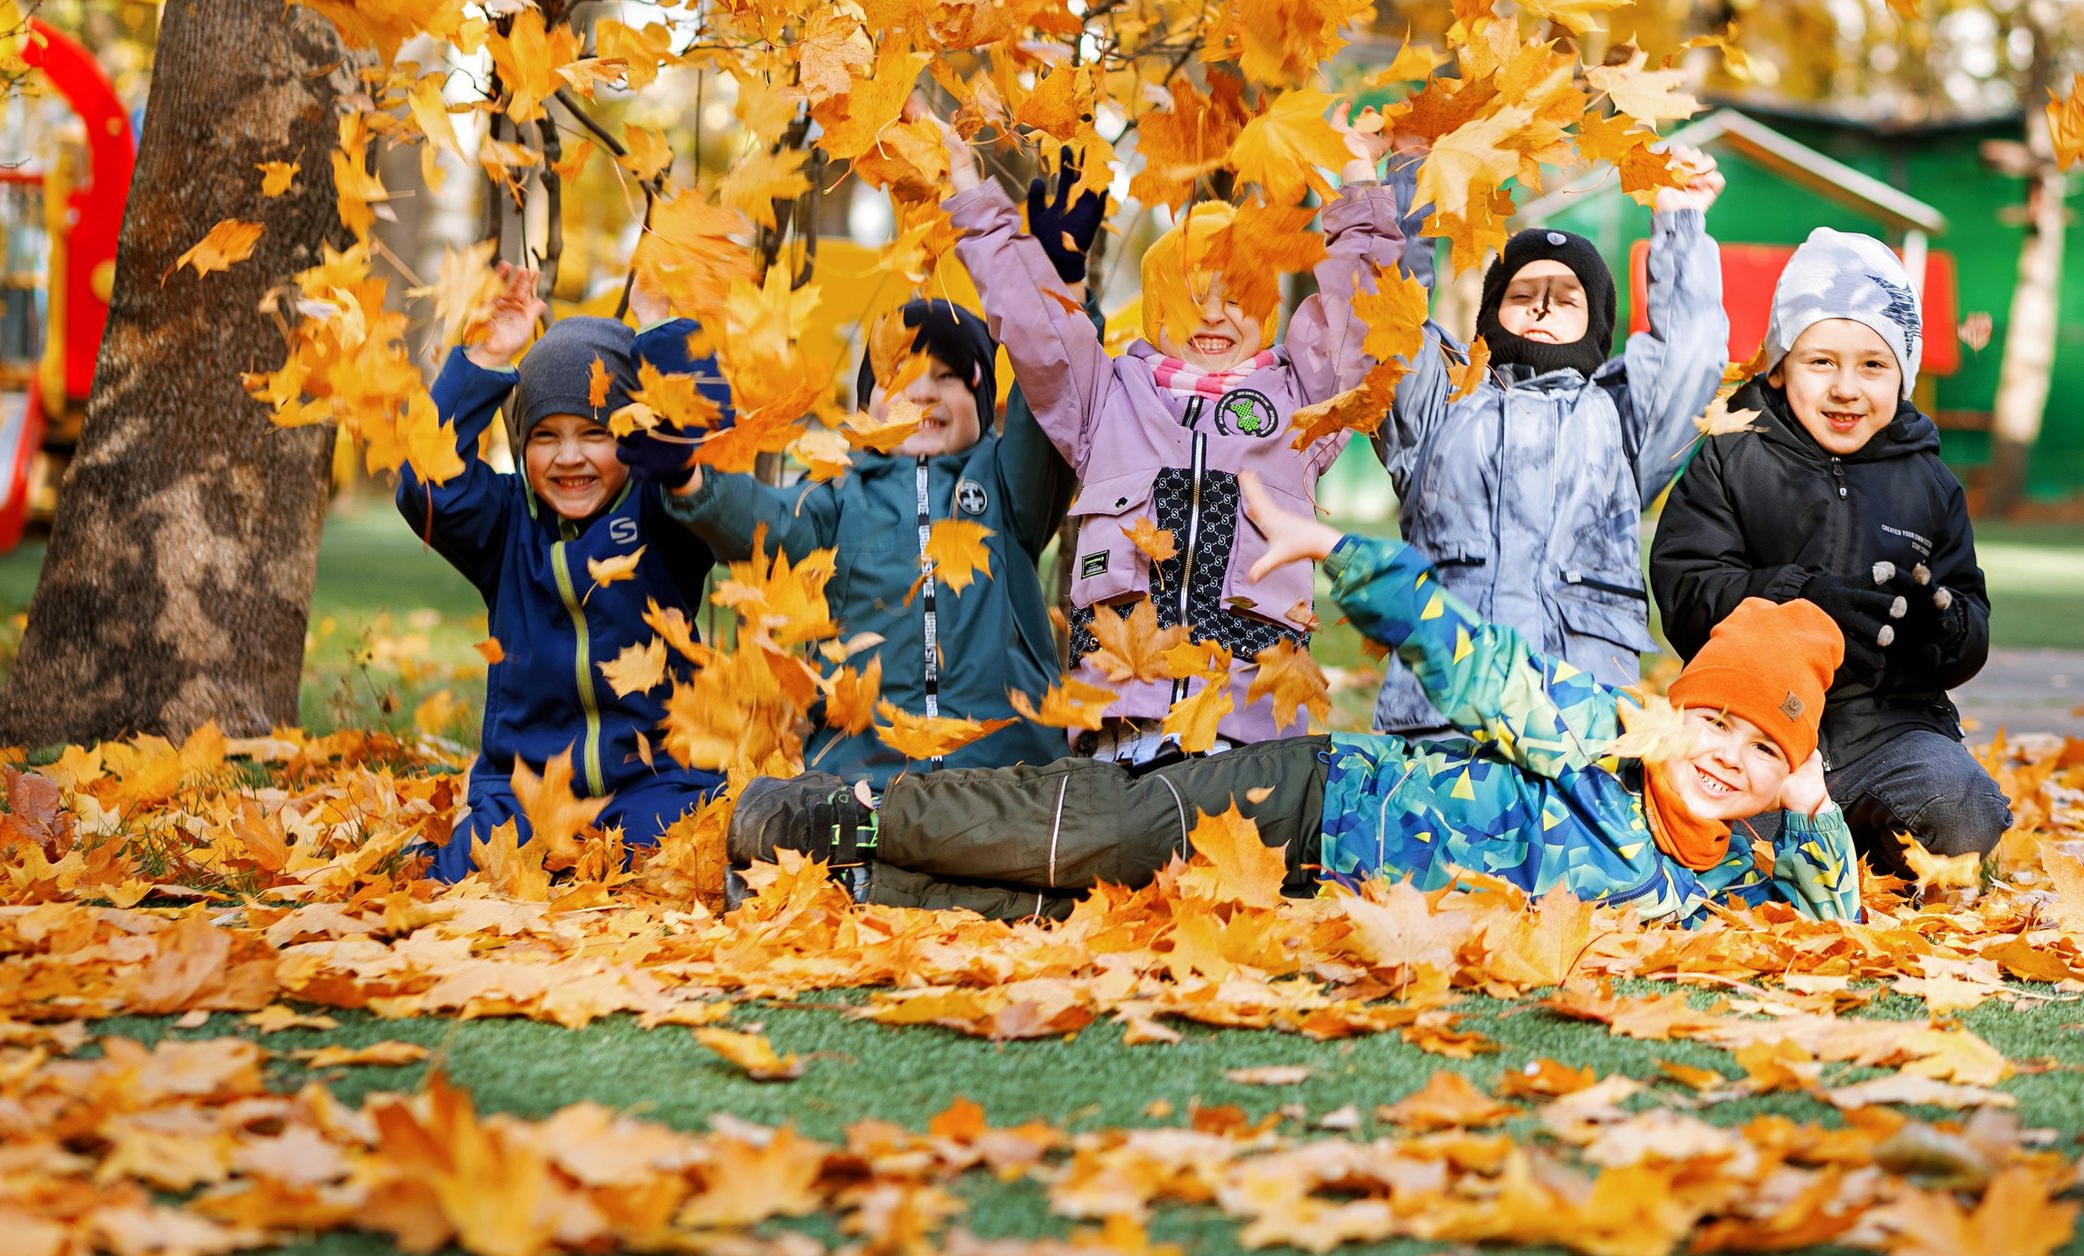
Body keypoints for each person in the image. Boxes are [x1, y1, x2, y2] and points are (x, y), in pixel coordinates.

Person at [728, 472, 1859, 925]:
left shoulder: (1717, 885)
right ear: (1677, 703)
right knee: (1107, 831)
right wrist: (1337, 550)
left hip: (1336, 913)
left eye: (1762, 750)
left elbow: (1832, 921)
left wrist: (1809, 798)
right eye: (1716, 719)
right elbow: (1467, 655)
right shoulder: (1603, 732)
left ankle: (860, 880)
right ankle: (829, 813)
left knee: (1110, 918)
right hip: (1318, 800)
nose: (1726, 756)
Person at [940, 114, 1400, 761]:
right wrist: (971, 193)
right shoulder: (1106, 398)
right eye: (1191, 298)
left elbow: (1361, 316)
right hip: (1124, 721)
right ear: (1158, 308)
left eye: (1236, 296)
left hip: (1249, 730)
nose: (1213, 314)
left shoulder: (1300, 401)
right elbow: (1036, 323)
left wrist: (1357, 178)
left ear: (1265, 306)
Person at [1648, 227, 2007, 877]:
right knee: (1694, 840)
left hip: (1890, 727)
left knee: (1967, 817)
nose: (1846, 388)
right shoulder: (1735, 452)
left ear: (1904, 375)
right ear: (1780, 367)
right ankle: (1803, 841)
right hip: (1756, 734)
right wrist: (1799, 598)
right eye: (1821, 362)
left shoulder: (1928, 481)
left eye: (1873, 365)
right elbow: (1686, 586)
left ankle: (1852, 838)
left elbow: (1971, 617)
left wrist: (1944, 627)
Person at [1374, 154, 1729, 738]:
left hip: (1577, 721)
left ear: (1594, 326)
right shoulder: (1441, 402)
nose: (1542, 306)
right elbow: (1390, 317)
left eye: (1567, 299)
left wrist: (1680, 220)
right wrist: (1409, 175)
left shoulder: (1620, 420)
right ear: (1491, 314)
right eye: (1523, 294)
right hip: (1441, 716)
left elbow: (1687, 356)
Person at [661, 296, 1073, 786]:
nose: (920, 392)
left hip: (1010, 770)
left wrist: (1058, 288)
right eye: (896, 375)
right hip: (864, 775)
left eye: (946, 376)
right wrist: (691, 481)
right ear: (864, 405)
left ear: (983, 402)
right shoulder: (836, 497)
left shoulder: (1009, 487)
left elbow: (1049, 401)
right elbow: (767, 521)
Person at [397, 265, 723, 881]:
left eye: (594, 434)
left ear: (629, 435)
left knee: (680, 868)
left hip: (657, 783)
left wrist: (662, 335)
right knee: (467, 873)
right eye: (546, 436)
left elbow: (700, 450)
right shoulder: (504, 524)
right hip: (525, 795)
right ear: (522, 447)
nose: (569, 457)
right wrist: (487, 358)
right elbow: (424, 486)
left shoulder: (667, 513)